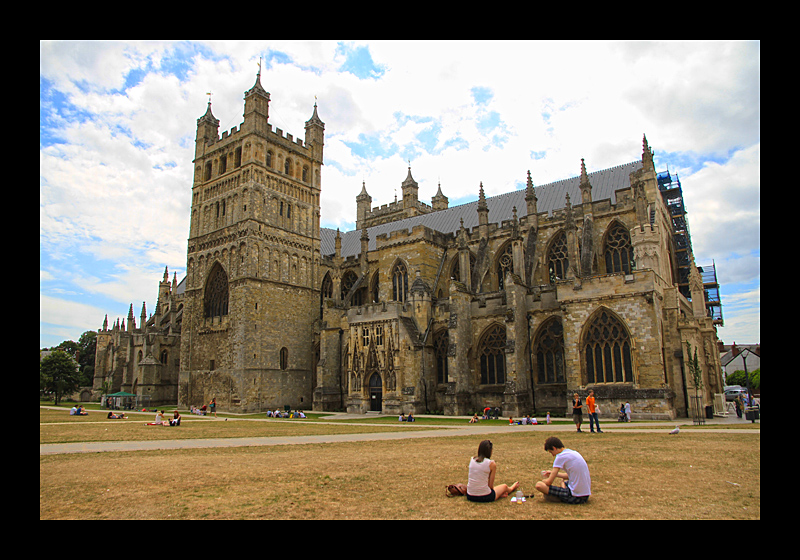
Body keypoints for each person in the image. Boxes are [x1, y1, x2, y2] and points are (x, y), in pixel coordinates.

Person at [534, 436, 591, 505]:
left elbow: (549, 482)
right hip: (585, 495)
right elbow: (569, 476)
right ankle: (562, 488)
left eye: (551, 452)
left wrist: (543, 481)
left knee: (539, 485)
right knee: (563, 482)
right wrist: (553, 473)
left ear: (554, 448)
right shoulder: (572, 453)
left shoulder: (560, 456)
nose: (553, 455)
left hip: (576, 497)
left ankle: (561, 493)